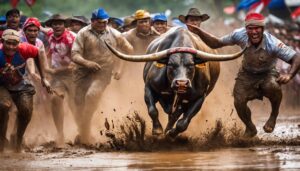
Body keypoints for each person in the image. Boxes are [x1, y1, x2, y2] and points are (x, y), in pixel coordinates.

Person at [187, 13, 300, 138]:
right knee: (238, 101)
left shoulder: (273, 43)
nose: (254, 32)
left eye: (257, 28)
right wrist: (199, 32)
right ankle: (250, 128)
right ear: (246, 29)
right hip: (246, 74)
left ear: (263, 29)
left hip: (268, 73)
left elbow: (296, 57)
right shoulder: (239, 34)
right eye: (250, 28)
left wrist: (289, 75)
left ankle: (273, 116)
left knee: (273, 86)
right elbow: (216, 43)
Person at [71, 8, 133, 144]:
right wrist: (87, 63)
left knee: (92, 95)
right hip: (83, 72)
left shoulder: (115, 34)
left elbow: (128, 50)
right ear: (92, 21)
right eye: (99, 22)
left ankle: (85, 131)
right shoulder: (83, 33)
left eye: (105, 22)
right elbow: (74, 55)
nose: (103, 25)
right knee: (78, 102)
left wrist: (120, 68)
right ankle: (83, 130)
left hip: (103, 72)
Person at [0, 29, 51, 152]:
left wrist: (43, 77)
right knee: (3, 106)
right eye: (8, 43)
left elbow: (37, 54)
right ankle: (1, 139)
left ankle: (17, 139)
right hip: (1, 85)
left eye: (14, 44)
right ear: (2, 42)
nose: (11, 47)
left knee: (26, 110)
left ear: (19, 44)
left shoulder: (25, 49)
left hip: (20, 84)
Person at [44, 14, 76, 146]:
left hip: (74, 75)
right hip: (57, 77)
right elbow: (49, 51)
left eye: (60, 23)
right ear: (51, 26)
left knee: (76, 105)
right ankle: (60, 133)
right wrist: (45, 65)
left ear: (65, 25)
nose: (57, 26)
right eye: (54, 23)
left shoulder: (71, 38)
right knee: (55, 100)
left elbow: (75, 62)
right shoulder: (51, 36)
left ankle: (84, 131)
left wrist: (54, 70)